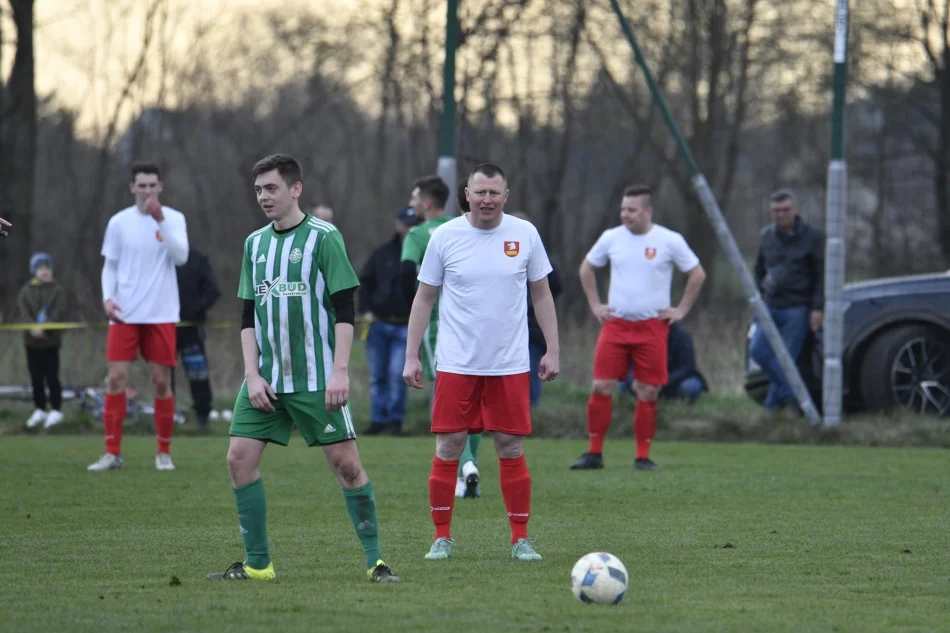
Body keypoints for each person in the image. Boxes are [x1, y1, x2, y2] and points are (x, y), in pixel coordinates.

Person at [205, 154, 399, 583]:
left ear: (296, 189)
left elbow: (345, 308)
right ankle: (258, 566)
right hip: (266, 379)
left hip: (317, 377)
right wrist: (251, 375)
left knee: (347, 466)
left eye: (271, 188)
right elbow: (246, 317)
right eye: (258, 190)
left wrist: (341, 371)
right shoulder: (254, 244)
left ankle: (376, 563)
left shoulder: (324, 238)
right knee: (238, 460)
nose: (263, 197)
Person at [403, 163, 560, 562]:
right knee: (449, 445)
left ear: (506, 196)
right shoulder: (445, 236)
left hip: (509, 364)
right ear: (467, 195)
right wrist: (411, 355)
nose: (487, 199)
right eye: (480, 192)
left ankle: (520, 539)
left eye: (495, 193)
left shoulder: (525, 234)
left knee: (510, 447)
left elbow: (541, 295)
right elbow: (423, 298)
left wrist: (553, 349)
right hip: (457, 362)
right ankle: (442, 538)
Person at [570, 184, 706, 473]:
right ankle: (594, 453)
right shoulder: (611, 238)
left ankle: (642, 457)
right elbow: (586, 269)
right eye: (623, 209)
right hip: (616, 325)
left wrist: (680, 310)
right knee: (601, 385)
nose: (625, 215)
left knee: (648, 391)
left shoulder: (669, 240)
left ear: (647, 211)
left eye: (631, 210)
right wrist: (596, 305)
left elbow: (696, 273)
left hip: (652, 328)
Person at [88, 162, 189, 472]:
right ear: (131, 187)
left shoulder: (173, 218)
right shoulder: (119, 222)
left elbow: (181, 257)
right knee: (116, 379)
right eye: (141, 185)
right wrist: (107, 297)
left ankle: (163, 452)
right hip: (124, 312)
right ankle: (112, 452)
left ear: (160, 186)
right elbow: (111, 265)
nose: (147, 191)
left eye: (152, 185)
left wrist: (160, 220)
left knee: (161, 382)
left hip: (161, 313)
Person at [401, 175, 483, 499]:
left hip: (438, 324)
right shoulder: (463, 226)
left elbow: (409, 281)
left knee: (447, 400)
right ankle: (471, 464)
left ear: (427, 203)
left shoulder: (418, 235)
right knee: (474, 401)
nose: (411, 203)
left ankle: (464, 466)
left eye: (414, 198)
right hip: (475, 323)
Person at [751, 189, 824, 414]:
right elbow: (759, 270)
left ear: (795, 210)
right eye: (776, 211)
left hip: (798, 308)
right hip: (770, 305)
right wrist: (758, 299)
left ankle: (772, 408)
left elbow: (821, 275)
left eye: (785, 210)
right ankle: (793, 396)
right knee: (759, 351)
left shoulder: (814, 236)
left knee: (786, 359)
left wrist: (817, 308)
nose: (781, 214)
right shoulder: (766, 236)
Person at [358, 206, 419, 436]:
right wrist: (365, 310)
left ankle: (396, 420)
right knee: (377, 375)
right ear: (398, 225)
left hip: (405, 325)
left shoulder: (421, 254)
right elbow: (365, 282)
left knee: (397, 374)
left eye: (413, 225)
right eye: (406, 224)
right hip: (379, 324)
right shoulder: (382, 253)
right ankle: (378, 419)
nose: (408, 229)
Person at [509, 212, 563, 409]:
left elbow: (555, 286)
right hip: (504, 329)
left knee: (530, 372)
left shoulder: (539, 256)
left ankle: (530, 413)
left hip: (532, 329)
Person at [173, 246, 221, 430]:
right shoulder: (160, 258)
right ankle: (166, 418)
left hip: (191, 330)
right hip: (162, 328)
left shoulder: (197, 259)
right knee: (162, 376)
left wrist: (197, 308)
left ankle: (203, 417)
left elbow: (213, 290)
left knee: (198, 375)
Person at [18, 252, 67, 429]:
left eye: (47, 268)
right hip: (31, 342)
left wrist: (44, 328)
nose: (44, 272)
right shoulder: (26, 291)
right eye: (40, 268)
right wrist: (32, 328)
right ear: (34, 271)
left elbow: (58, 312)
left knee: (52, 375)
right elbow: (24, 312)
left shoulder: (58, 290)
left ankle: (56, 409)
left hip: (51, 342)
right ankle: (39, 408)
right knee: (35, 377)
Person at [620, 321, 708, 404]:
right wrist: (634, 381)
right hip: (646, 380)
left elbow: (688, 368)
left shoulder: (681, 335)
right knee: (623, 383)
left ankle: (672, 401)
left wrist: (663, 381)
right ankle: (643, 398)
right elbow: (629, 365)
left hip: (676, 380)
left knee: (690, 387)